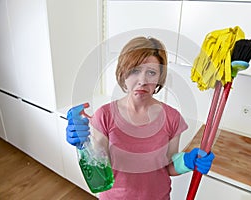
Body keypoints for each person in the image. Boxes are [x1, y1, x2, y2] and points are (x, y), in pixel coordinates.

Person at [66, 36, 215, 200]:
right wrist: (82, 146)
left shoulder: (173, 118)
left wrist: (187, 162)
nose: (143, 81)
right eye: (135, 70)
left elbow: (168, 167)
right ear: (123, 73)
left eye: (151, 72)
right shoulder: (104, 115)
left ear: (159, 77)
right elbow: (100, 168)